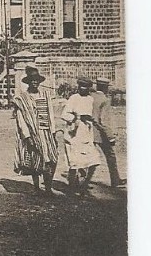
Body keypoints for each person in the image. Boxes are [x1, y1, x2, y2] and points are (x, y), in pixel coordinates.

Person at [11, 66, 59, 195]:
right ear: (28, 82)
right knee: (35, 159)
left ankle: (48, 187)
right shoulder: (21, 99)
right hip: (32, 133)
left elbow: (50, 115)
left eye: (36, 80)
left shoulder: (45, 95)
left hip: (46, 132)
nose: (35, 82)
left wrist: (53, 133)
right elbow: (21, 120)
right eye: (32, 80)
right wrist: (28, 136)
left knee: (52, 158)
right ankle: (36, 187)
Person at [60, 77, 105, 197]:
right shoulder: (73, 98)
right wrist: (77, 117)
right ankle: (71, 187)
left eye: (85, 87)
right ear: (78, 87)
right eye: (81, 86)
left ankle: (85, 184)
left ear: (89, 88)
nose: (83, 88)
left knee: (94, 160)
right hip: (74, 134)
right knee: (74, 162)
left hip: (86, 133)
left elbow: (94, 115)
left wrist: (91, 121)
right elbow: (64, 114)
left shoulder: (90, 99)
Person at [92, 77, 125, 188]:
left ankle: (80, 178)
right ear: (105, 88)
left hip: (88, 131)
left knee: (86, 154)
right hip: (101, 133)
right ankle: (115, 180)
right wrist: (110, 137)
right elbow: (103, 120)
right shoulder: (105, 100)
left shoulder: (91, 97)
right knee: (110, 156)